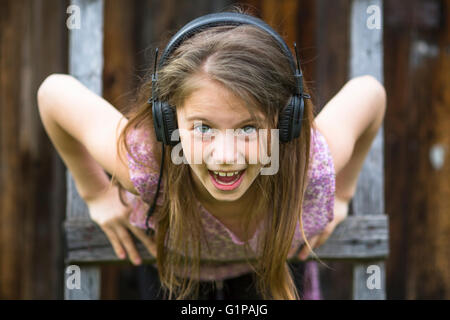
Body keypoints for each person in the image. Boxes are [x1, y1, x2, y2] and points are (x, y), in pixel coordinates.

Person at [37, 6, 386, 300]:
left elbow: (369, 94)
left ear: (286, 123)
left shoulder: (310, 166)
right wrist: (97, 193)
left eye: (248, 128)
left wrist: (341, 193)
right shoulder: (147, 165)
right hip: (174, 275)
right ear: (167, 123)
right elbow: (54, 93)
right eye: (203, 128)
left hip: (273, 269)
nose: (225, 156)